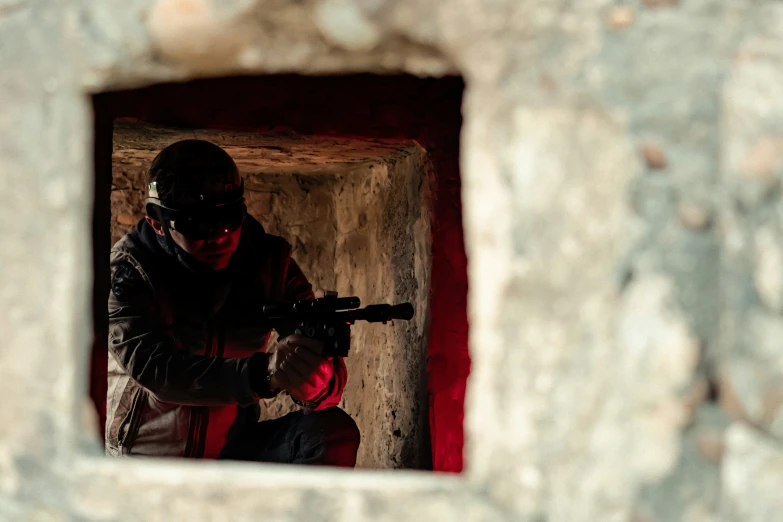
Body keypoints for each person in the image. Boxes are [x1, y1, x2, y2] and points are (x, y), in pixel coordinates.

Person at [105, 139, 360, 466]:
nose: (218, 235)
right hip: (144, 459)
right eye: (195, 224)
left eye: (228, 217)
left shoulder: (269, 265)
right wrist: (263, 374)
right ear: (157, 223)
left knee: (330, 433)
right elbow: (159, 371)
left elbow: (325, 368)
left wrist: (316, 382)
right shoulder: (131, 272)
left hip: (231, 450)